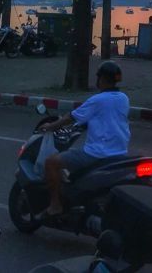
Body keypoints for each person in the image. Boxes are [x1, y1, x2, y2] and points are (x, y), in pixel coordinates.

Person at [38, 61, 130, 218]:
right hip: (120, 153)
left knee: (51, 162)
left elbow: (70, 118)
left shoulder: (98, 100)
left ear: (101, 79)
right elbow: (108, 118)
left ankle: (55, 206)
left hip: (97, 154)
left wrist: (50, 126)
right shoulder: (123, 98)